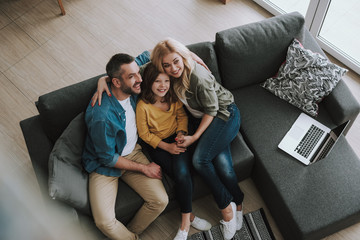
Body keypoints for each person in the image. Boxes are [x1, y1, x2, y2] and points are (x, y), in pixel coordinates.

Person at [150, 38, 244, 240]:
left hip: (224, 114)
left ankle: (228, 208)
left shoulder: (198, 77)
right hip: (203, 118)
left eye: (176, 61)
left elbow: (212, 110)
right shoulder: (169, 74)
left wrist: (194, 138)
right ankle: (238, 201)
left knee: (200, 160)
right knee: (223, 166)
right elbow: (142, 64)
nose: (173, 68)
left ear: (182, 57)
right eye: (166, 65)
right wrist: (104, 80)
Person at [82, 52, 168, 240]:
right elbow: (107, 158)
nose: (140, 79)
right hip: (105, 165)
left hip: (133, 152)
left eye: (138, 73)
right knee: (104, 221)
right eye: (132, 77)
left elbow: (149, 54)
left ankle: (128, 235)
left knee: (160, 200)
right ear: (117, 82)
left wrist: (188, 55)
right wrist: (144, 168)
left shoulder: (132, 87)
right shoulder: (101, 117)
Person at [136, 63, 211, 240]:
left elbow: (182, 116)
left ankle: (186, 222)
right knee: (183, 175)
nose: (163, 85)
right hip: (159, 145)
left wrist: (181, 133)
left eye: (166, 81)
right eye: (157, 81)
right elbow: (145, 134)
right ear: (149, 82)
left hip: (177, 137)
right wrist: (167, 146)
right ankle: (188, 220)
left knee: (183, 173)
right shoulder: (143, 106)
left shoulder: (172, 96)